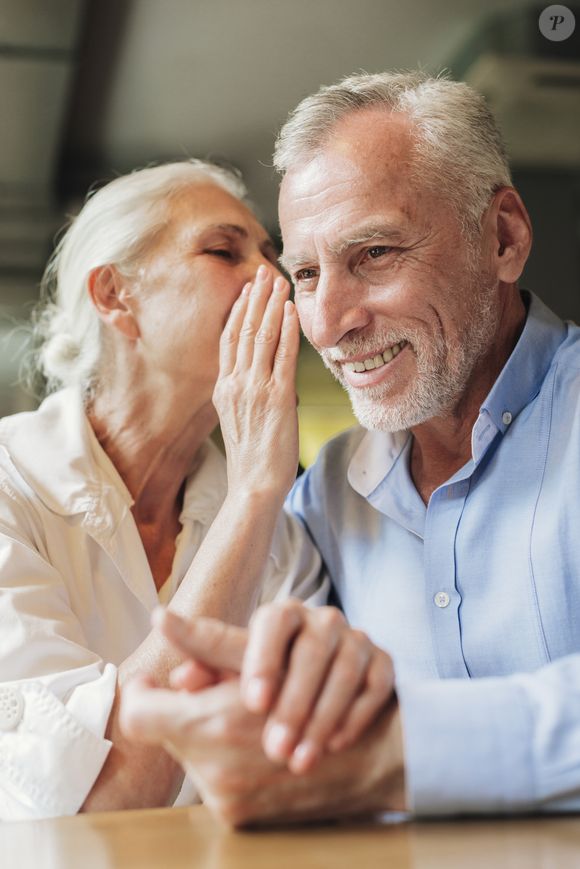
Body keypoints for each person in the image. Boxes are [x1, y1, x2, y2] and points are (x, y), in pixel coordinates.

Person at [120, 70, 580, 825]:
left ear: (503, 237)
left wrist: (402, 754)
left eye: (373, 253)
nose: (328, 323)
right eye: (304, 273)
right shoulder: (324, 494)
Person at [0, 160, 394, 820]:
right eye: (223, 250)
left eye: (273, 256)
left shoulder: (285, 529)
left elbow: (293, 776)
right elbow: (90, 805)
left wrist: (257, 496)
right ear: (115, 296)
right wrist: (251, 495)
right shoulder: (11, 484)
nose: (273, 280)